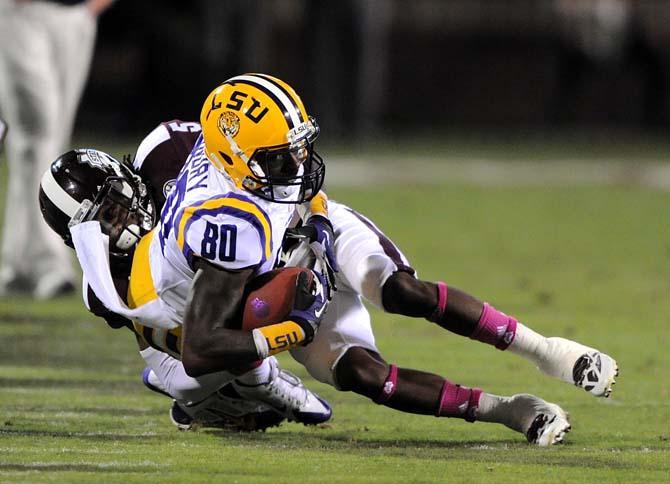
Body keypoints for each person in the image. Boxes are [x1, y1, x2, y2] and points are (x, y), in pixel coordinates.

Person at [126, 74, 615, 445]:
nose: (298, 165)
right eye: (281, 159)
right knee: (363, 374)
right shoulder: (225, 225)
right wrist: (288, 329)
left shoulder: (207, 147)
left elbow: (294, 187)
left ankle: (546, 351)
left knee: (400, 291)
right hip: (271, 279)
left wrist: (315, 215)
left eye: (298, 150)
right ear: (234, 160)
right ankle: (509, 410)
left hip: (309, 233)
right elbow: (201, 343)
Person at [38, 146, 333, 431]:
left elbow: (251, 152)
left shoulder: (165, 153)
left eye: (116, 202)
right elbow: (192, 342)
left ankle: (235, 390)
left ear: (125, 178)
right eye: (104, 222)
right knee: (187, 381)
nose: (121, 221)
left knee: (281, 268)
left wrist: (315, 211)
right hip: (185, 330)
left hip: (252, 241)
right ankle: (252, 384)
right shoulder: (103, 288)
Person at [0, 0, 115, 299]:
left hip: (75, 14)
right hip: (19, 12)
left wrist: (89, 9)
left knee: (51, 141)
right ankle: (47, 263)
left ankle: (17, 263)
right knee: (36, 132)